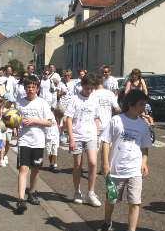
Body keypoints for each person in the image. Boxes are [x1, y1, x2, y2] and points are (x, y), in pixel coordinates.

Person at [99, 89, 152, 231]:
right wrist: (106, 164)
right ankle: (107, 223)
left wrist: (144, 162)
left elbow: (145, 147)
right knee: (112, 200)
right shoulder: (116, 120)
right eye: (141, 104)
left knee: (135, 203)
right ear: (131, 104)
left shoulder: (143, 125)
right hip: (116, 170)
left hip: (134, 170)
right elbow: (106, 142)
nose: (144, 108)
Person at [13, 77, 55, 214]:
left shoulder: (42, 103)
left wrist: (34, 121)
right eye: (28, 87)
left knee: (36, 169)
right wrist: (12, 122)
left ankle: (31, 192)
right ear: (25, 88)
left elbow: (50, 122)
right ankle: (20, 200)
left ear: (37, 89)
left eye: (33, 87)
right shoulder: (19, 103)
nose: (30, 89)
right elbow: (15, 119)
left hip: (38, 141)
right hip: (24, 140)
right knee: (23, 169)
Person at [64, 74, 102, 207]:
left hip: (91, 135)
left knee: (92, 163)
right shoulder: (75, 99)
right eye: (87, 88)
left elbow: (97, 117)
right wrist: (71, 138)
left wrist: (98, 128)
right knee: (78, 166)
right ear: (82, 86)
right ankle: (77, 191)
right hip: (77, 135)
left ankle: (91, 193)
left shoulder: (94, 98)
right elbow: (68, 119)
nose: (89, 91)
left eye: (91, 89)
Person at [91, 79, 121, 175]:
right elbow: (117, 108)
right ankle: (104, 168)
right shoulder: (110, 94)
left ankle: (93, 168)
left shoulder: (93, 94)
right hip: (108, 124)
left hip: (96, 123)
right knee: (106, 146)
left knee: (95, 148)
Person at [45, 106, 63, 173]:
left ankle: (55, 165)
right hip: (48, 135)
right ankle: (51, 164)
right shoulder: (46, 114)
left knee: (55, 149)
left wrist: (60, 131)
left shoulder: (57, 116)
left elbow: (59, 125)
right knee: (48, 151)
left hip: (55, 134)